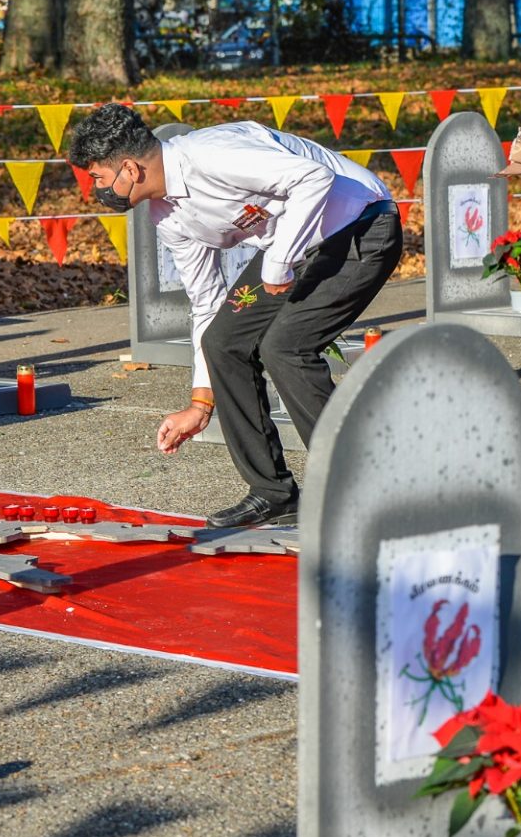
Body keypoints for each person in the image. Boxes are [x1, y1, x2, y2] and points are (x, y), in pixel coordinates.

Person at [68, 104, 403, 527]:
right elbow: (206, 302)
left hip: (360, 227)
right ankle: (274, 493)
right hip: (293, 249)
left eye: (98, 177)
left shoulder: (212, 155)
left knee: (285, 347)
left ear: (130, 169)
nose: (96, 189)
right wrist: (200, 402)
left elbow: (313, 178)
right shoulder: (166, 215)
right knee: (223, 342)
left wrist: (278, 264)